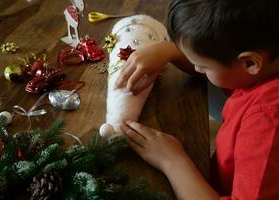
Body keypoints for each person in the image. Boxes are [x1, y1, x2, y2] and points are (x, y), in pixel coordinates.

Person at [115, 0, 279, 199]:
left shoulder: (267, 124)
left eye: (202, 65)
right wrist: (169, 51)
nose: (197, 68)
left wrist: (172, 161)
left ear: (251, 62)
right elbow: (231, 73)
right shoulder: (264, 64)